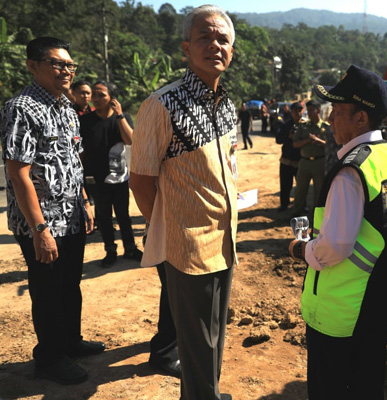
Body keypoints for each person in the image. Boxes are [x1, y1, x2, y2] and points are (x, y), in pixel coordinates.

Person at [129, 5, 237, 400]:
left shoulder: (225, 103)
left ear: (232, 50)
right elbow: (140, 179)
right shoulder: (162, 104)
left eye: (222, 39)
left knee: (214, 332)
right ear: (186, 48)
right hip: (188, 246)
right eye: (205, 37)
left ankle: (204, 393)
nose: (215, 45)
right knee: (195, 340)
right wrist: (170, 227)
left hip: (225, 240)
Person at [288, 65, 387, 399]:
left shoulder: (351, 171)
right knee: (366, 385)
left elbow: (335, 246)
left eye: (338, 111)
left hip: (342, 312)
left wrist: (302, 250)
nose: (330, 119)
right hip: (380, 302)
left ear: (361, 118)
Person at [0, 36, 104, 385]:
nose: (66, 71)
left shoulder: (66, 106)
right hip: (42, 222)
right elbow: (18, 172)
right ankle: (50, 356)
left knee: (70, 284)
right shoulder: (21, 108)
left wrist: (85, 201)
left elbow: (74, 160)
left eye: (70, 65)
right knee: (47, 289)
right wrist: (40, 229)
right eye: (57, 64)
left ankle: (70, 342)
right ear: (33, 66)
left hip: (72, 215)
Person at [79, 81, 143, 266]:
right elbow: (81, 150)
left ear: (112, 99)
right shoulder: (86, 121)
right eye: (95, 95)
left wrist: (120, 114)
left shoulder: (121, 119)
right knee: (104, 217)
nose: (96, 99)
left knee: (123, 215)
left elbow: (130, 140)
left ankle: (130, 248)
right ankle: (110, 251)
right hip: (96, 179)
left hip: (119, 177)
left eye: (101, 95)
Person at [289, 99, 330, 215]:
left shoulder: (326, 127)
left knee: (319, 191)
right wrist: (307, 140)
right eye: (308, 110)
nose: (309, 113)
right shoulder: (303, 126)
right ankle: (297, 213)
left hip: (319, 163)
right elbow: (295, 144)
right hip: (304, 163)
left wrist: (318, 141)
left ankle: (316, 217)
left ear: (318, 110)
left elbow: (331, 146)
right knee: (300, 190)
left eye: (311, 110)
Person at [275, 101, 303, 212]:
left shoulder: (305, 125)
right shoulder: (285, 125)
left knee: (301, 186)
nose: (298, 113)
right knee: (285, 185)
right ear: (291, 112)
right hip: (286, 160)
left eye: (300, 110)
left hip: (300, 161)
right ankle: (284, 204)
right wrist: (288, 136)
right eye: (296, 111)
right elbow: (278, 140)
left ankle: (301, 205)